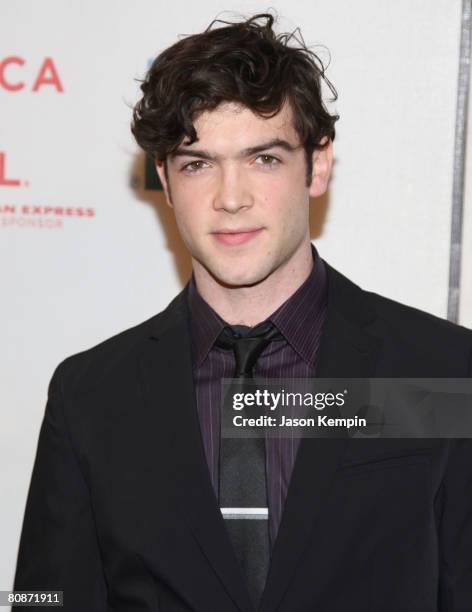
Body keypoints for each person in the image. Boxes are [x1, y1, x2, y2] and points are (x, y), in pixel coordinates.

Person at [13, 12, 472, 612]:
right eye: (197, 163)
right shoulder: (92, 395)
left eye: (264, 159)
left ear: (318, 164)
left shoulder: (440, 371)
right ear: (165, 179)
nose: (231, 199)